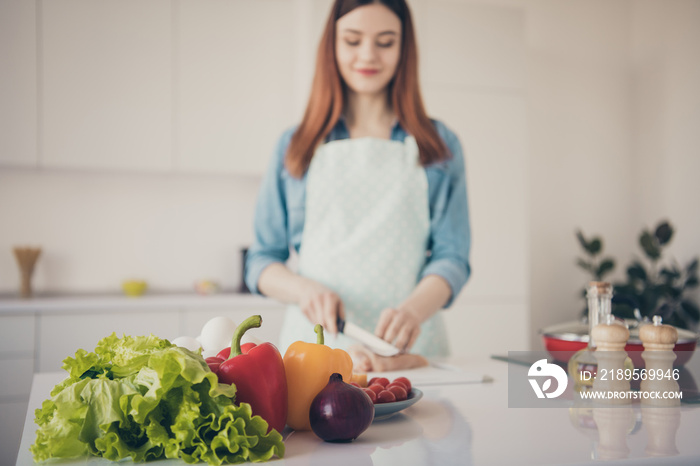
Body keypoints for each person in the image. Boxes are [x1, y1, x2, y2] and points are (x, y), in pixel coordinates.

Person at [245, 0, 470, 371]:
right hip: (314, 354)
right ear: (332, 46)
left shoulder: (438, 144)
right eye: (352, 40)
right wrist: (304, 290)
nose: (368, 55)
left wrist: (413, 311)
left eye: (385, 42)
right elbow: (262, 260)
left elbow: (453, 258)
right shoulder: (295, 145)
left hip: (406, 355)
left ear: (404, 49)